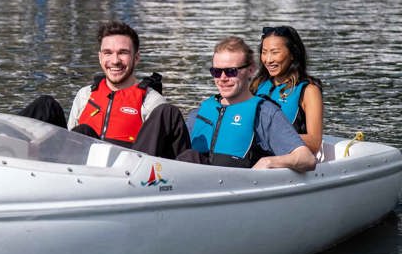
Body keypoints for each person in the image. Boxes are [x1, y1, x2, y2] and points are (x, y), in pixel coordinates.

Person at [20, 20, 191, 159]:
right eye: (108, 53)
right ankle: (3, 154)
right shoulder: (85, 94)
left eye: (122, 52)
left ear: (136, 58)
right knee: (46, 105)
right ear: (100, 57)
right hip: (76, 166)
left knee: (168, 112)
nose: (115, 60)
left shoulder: (152, 102)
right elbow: (69, 138)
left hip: (125, 173)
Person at [178, 36, 316, 172]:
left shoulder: (265, 113)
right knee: (167, 115)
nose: (222, 78)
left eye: (231, 71)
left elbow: (306, 158)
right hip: (191, 180)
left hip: (233, 185)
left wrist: (268, 162)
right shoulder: (201, 111)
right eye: (216, 72)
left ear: (251, 70)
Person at [250, 26, 323, 154]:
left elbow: (315, 142)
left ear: (293, 54)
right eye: (264, 52)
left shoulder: (309, 91)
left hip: (286, 162)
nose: (268, 59)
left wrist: (268, 136)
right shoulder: (257, 84)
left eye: (275, 52)